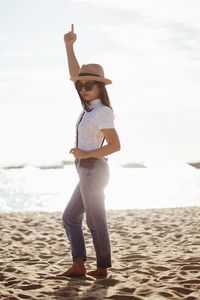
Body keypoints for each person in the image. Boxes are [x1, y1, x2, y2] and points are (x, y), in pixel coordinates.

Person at [60, 24, 121, 278]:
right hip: (85, 171)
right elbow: (76, 74)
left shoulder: (103, 112)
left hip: (94, 169)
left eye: (89, 85)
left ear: (100, 88)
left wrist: (85, 154)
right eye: (81, 86)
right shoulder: (88, 109)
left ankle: (101, 268)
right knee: (70, 217)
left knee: (95, 221)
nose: (83, 88)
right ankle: (79, 264)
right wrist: (69, 46)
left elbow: (115, 146)